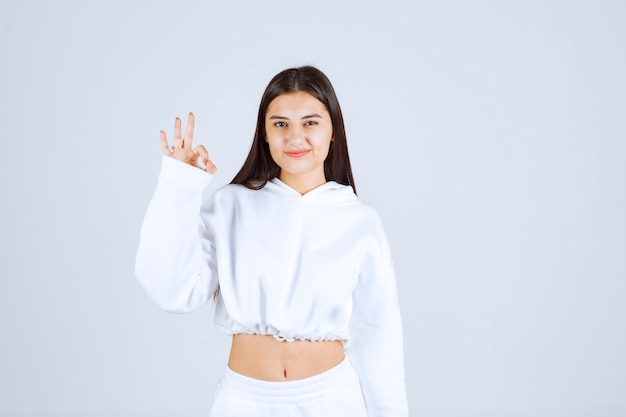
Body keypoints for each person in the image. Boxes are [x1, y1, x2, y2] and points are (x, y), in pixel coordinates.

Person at [135, 66, 408, 417]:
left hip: (332, 401)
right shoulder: (231, 205)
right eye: (280, 124)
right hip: (244, 401)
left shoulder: (360, 222)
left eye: (310, 123)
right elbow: (172, 289)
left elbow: (378, 337)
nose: (295, 138)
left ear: (333, 131)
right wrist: (178, 185)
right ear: (264, 133)